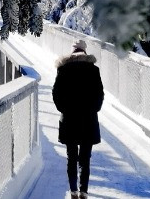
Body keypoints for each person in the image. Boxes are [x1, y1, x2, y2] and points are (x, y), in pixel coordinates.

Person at [52, 38, 104, 199]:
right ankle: (84, 192)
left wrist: (64, 109)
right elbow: (99, 95)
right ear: (85, 51)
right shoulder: (93, 70)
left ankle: (73, 191)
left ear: (72, 51)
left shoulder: (63, 69)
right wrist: (93, 109)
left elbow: (56, 94)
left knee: (71, 157)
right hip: (88, 119)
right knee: (85, 159)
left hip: (69, 119)